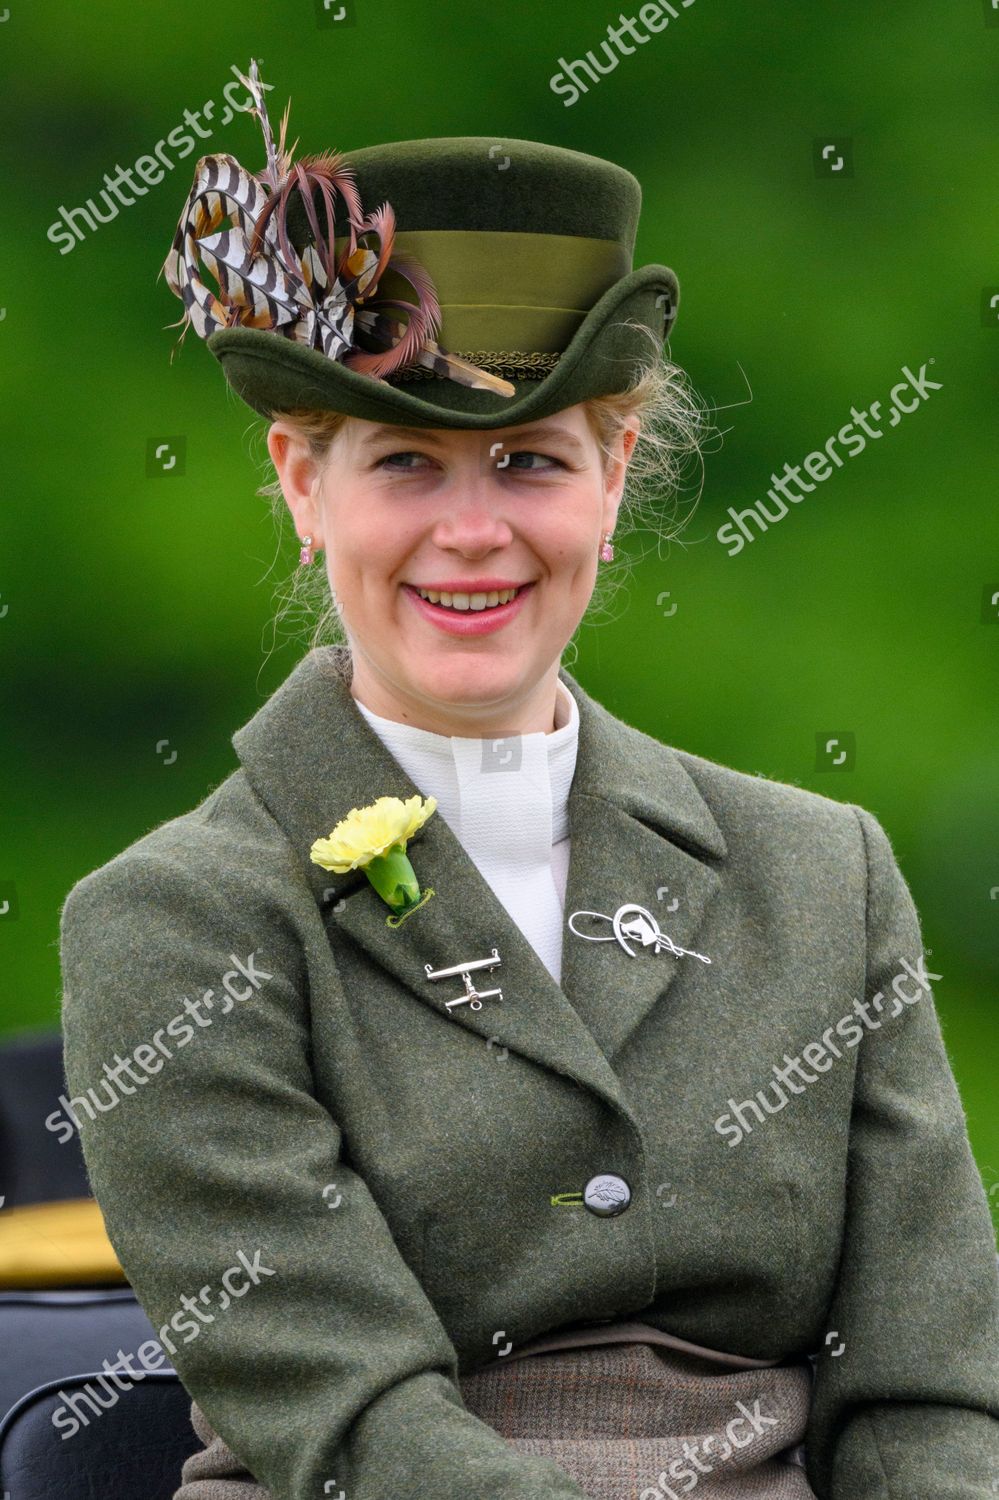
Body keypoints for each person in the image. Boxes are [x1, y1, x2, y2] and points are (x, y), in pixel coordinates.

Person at [59, 60, 999, 1500]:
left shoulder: (826, 872)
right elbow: (356, 1419)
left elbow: (933, 1397)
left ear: (615, 478)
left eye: (531, 462)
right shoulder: (169, 921)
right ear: (304, 487)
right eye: (406, 466)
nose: (475, 532)